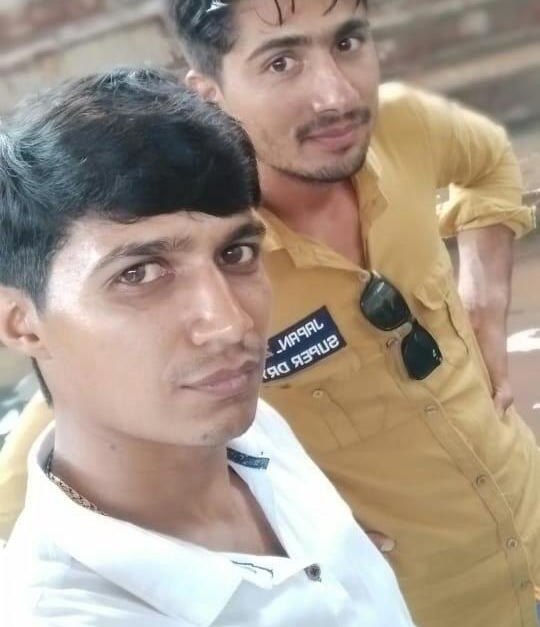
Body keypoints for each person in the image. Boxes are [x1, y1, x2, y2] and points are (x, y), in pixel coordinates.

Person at [0, 0, 538, 625]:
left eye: (347, 42)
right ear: (209, 92)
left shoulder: (405, 128)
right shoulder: (193, 274)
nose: (336, 95)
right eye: (281, 62)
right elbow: (60, 447)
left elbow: (490, 161)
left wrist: (485, 304)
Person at [0, 67, 416, 626]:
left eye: (236, 254)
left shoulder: (254, 433)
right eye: (139, 273)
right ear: (21, 324)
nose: (229, 324)